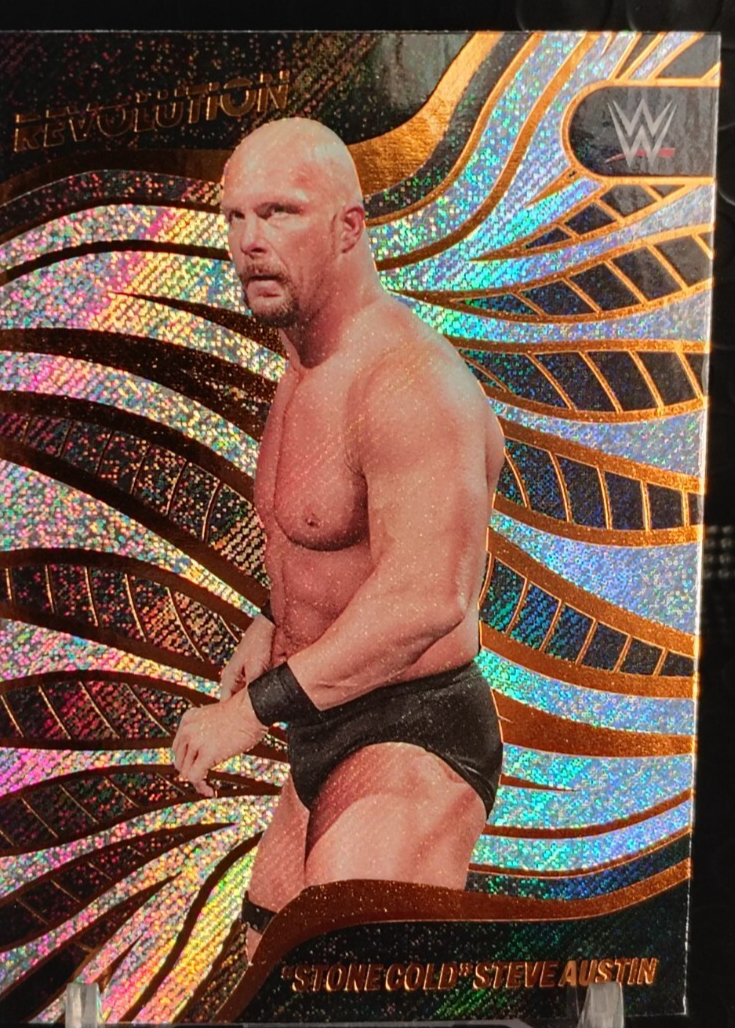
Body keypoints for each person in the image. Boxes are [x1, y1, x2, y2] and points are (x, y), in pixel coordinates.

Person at [172, 118, 505, 959]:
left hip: (413, 735)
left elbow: (428, 598)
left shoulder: (410, 382)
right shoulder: (306, 364)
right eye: (235, 217)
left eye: (279, 212)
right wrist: (275, 624)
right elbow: (337, 542)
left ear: (349, 227)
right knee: (263, 968)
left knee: (343, 974)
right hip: (325, 730)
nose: (249, 242)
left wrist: (252, 710)